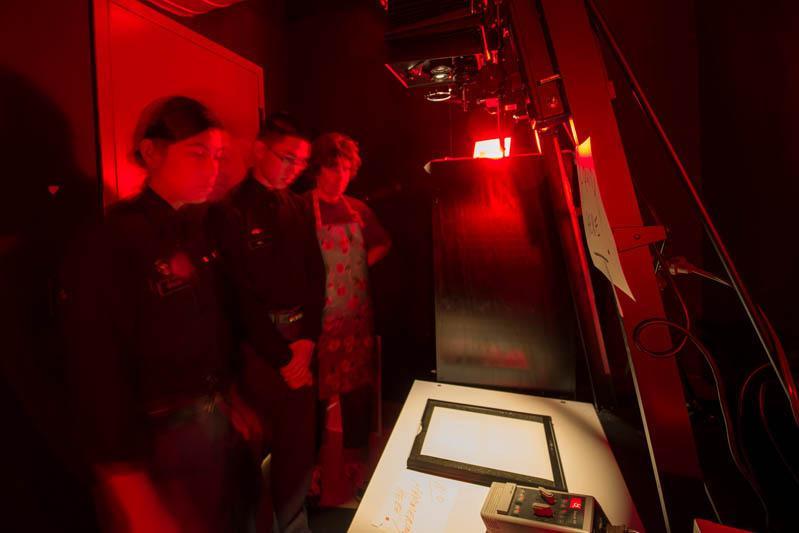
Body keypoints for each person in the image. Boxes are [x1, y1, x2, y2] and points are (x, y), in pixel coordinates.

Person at [61, 96, 260, 533]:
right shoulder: (112, 237)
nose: (212, 167)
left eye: (217, 155)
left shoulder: (199, 228)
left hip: (209, 425)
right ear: (151, 152)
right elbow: (96, 368)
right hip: (153, 443)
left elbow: (208, 326)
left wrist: (229, 398)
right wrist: (128, 484)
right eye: (197, 153)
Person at [208, 113, 325, 533]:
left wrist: (308, 342)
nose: (295, 169)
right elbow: (238, 297)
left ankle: (293, 524)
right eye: (287, 158)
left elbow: (317, 276)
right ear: (260, 150)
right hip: (258, 352)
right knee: (250, 456)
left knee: (297, 452)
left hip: (300, 344)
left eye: (301, 163)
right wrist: (282, 357)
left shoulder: (297, 203)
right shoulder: (229, 210)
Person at [305, 132, 391, 506]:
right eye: (332, 167)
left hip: (354, 314)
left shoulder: (359, 209)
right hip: (317, 317)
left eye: (345, 169)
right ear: (318, 169)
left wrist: (353, 269)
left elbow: (383, 243)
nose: (339, 176)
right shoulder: (299, 210)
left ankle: (350, 465)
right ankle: (314, 468)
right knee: (314, 392)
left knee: (355, 391)